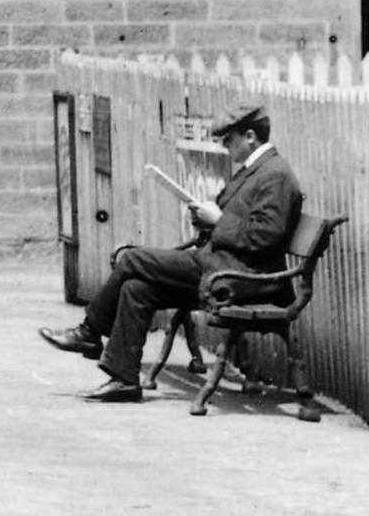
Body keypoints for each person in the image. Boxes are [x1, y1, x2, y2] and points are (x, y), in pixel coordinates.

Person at [44, 103, 298, 401]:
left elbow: (265, 237)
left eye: (229, 140)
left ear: (251, 136)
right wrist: (206, 220)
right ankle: (124, 379)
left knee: (132, 259)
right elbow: (243, 228)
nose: (225, 146)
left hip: (241, 278)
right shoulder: (256, 171)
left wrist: (218, 220)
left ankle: (89, 332)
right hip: (221, 267)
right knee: (137, 288)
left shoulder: (275, 174)